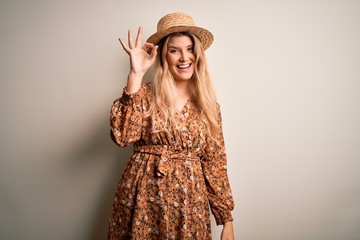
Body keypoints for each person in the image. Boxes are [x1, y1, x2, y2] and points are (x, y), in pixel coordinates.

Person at [108, 12, 235, 240]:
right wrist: (135, 74)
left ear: (198, 54)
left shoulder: (208, 105)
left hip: (189, 205)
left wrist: (226, 221)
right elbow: (122, 135)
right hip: (143, 199)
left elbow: (215, 163)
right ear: (163, 55)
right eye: (174, 50)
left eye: (189, 49)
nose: (184, 58)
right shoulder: (144, 94)